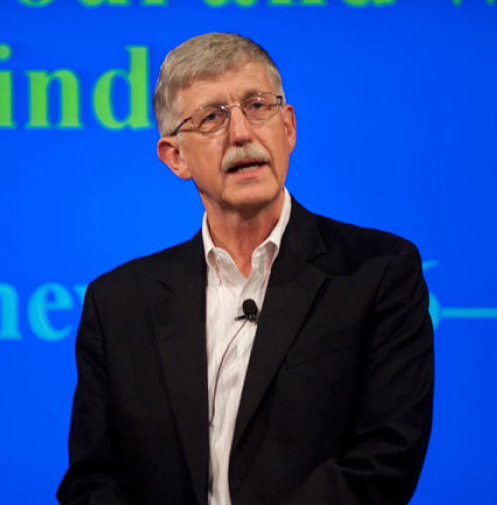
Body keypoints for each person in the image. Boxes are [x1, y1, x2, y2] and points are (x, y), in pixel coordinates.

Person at [57, 33, 434, 505]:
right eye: (212, 117)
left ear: (289, 127)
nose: (241, 133)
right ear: (175, 157)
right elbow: (92, 481)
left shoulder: (376, 272)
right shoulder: (118, 305)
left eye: (258, 106)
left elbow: (385, 459)